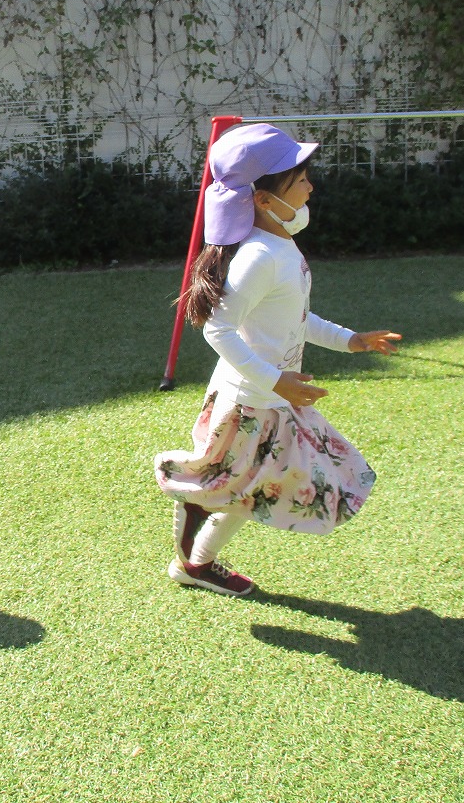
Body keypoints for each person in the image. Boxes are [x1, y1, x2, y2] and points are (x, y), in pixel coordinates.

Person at [155, 123, 401, 596]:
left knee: (252, 491)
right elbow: (217, 328)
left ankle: (198, 547)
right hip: (251, 403)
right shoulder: (260, 257)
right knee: (247, 491)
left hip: (272, 398)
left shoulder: (279, 246)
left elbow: (294, 318)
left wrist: (352, 340)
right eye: (300, 180)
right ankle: (196, 524)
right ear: (264, 200)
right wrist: (275, 380)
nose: (311, 187)